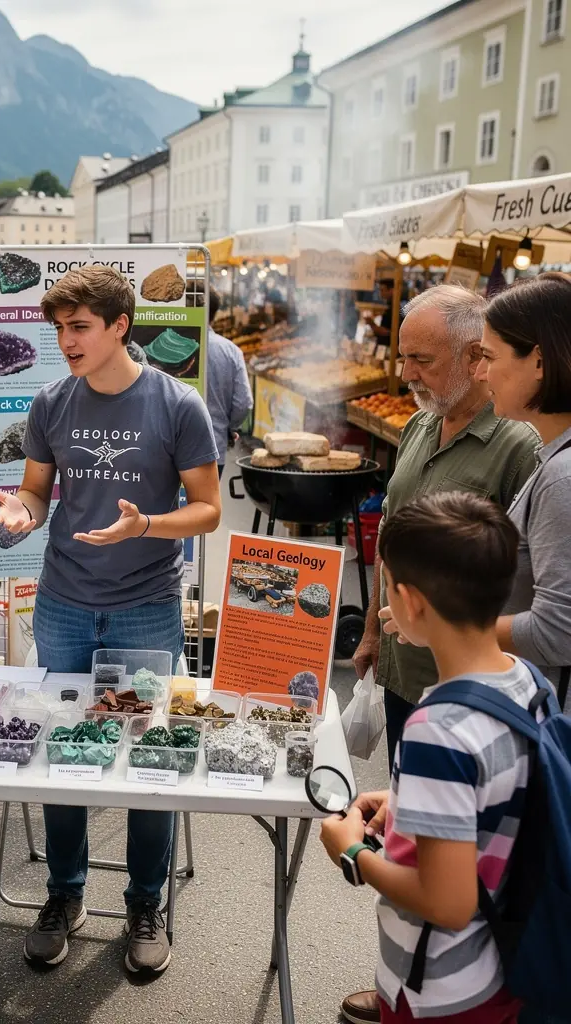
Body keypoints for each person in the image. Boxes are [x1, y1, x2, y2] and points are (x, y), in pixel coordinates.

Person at [0, 266, 221, 974]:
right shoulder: (52, 402)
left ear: (121, 326)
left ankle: (146, 902)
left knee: (148, 760)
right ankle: (65, 893)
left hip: (146, 606)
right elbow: (34, 490)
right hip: (61, 604)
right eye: (59, 329)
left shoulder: (177, 405)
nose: (66, 341)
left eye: (79, 327)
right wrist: (15, 513)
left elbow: (208, 508)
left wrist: (145, 524)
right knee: (66, 754)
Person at [343, 285, 539, 1024]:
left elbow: (530, 582)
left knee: (461, 855)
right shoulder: (424, 424)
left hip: (463, 691)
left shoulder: (519, 448)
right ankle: (398, 977)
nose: (407, 374)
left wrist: (349, 852)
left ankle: (445, 987)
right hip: (408, 673)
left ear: (474, 359)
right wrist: (370, 634)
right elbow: (395, 523)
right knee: (418, 824)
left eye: (422, 359)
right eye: (402, 357)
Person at [320, 491, 539, 1024]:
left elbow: (447, 902)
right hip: (504, 968)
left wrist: (352, 852)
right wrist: (406, 799)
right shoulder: (523, 678)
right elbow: (496, 790)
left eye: (388, 587)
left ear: (411, 602)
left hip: (437, 990)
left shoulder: (435, 731)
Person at [473, 273, 571, 709]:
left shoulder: (562, 476)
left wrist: (446, 623)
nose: (480, 372)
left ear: (540, 361)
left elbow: (558, 631)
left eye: (489, 356)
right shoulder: (555, 460)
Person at [206, 288, 252, 476]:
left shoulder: (162, 344)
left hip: (168, 448)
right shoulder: (231, 351)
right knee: (205, 504)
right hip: (213, 446)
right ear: (215, 314)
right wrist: (229, 427)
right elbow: (244, 402)